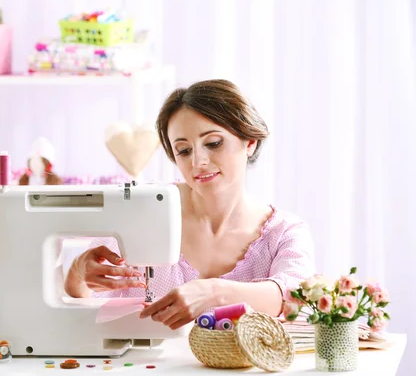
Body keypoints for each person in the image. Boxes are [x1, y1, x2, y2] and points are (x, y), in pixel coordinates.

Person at [64, 79, 315, 330]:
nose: (198, 162)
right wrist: (77, 270)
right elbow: (80, 294)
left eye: (213, 143)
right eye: (183, 150)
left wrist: (212, 292)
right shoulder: (145, 209)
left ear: (249, 142)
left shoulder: (284, 233)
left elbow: (295, 300)